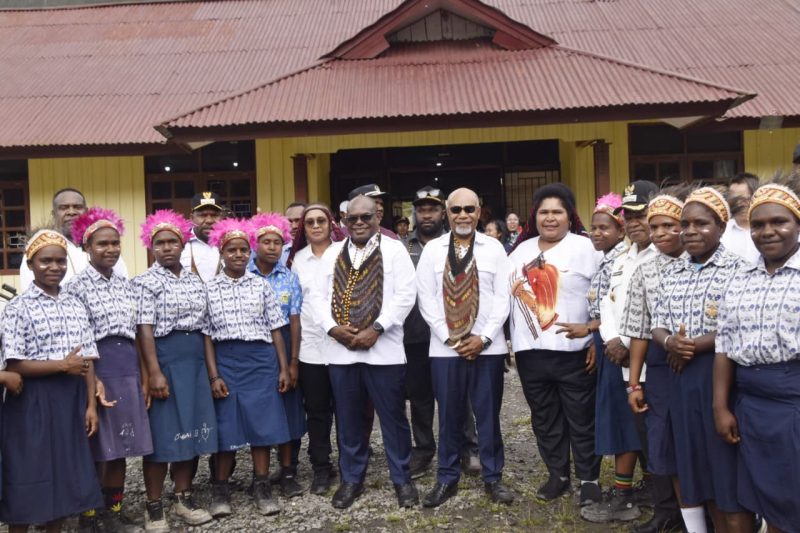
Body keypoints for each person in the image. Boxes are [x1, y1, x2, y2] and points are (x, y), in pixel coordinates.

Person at [651, 187, 753, 533]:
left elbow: (738, 326)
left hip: (719, 378)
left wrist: (692, 346)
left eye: (701, 223)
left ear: (721, 226)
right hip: (681, 380)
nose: (690, 231)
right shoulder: (673, 272)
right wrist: (671, 343)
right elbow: (657, 324)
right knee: (697, 472)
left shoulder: (740, 270)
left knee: (727, 478)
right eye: (685, 224)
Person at [310, 195, 417, 509]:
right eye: (352, 218)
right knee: (349, 419)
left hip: (384, 352)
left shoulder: (394, 250)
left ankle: (402, 479)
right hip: (341, 352)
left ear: (377, 217)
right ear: (344, 221)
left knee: (393, 418)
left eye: (365, 217)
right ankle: (351, 479)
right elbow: (317, 297)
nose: (358, 223)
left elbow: (406, 294)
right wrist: (333, 329)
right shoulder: (333, 253)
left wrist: (378, 328)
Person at [0, 230, 104, 532]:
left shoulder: (76, 305)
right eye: (45, 261)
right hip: (31, 400)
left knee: (64, 475)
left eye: (60, 261)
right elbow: (15, 364)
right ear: (30, 264)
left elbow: (86, 359)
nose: (54, 267)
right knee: (28, 474)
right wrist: (62, 365)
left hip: (70, 399)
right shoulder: (18, 308)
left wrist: (90, 406)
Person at [416, 188, 514, 508]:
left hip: (487, 347)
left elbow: (503, 298)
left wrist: (483, 338)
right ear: (447, 212)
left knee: (488, 415)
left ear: (479, 212)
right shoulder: (433, 250)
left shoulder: (494, 248)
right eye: (456, 209)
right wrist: (451, 338)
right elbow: (426, 299)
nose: (462, 215)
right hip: (446, 349)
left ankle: (493, 477)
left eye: (469, 209)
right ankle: (447, 478)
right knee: (449, 416)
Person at [508, 183, 603, 505]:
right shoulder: (519, 252)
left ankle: (589, 479)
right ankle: (557, 475)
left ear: (569, 216)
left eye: (557, 212)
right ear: (534, 216)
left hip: (575, 352)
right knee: (545, 418)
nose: (550, 218)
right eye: (543, 212)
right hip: (530, 353)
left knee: (581, 417)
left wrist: (596, 338)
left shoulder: (586, 248)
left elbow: (605, 296)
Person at [714, 183, 800, 533]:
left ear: (797, 225)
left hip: (792, 404)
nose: (768, 231)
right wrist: (721, 407)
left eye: (779, 222)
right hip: (748, 404)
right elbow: (724, 345)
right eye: (759, 224)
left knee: (792, 499)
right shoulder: (740, 279)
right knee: (764, 498)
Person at [67, 208, 154, 533]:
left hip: (127, 366)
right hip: (96, 368)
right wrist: (94, 380)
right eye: (102, 243)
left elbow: (136, 334)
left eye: (115, 243)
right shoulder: (75, 287)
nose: (110, 249)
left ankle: (113, 512)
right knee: (96, 447)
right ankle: (88, 516)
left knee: (122, 446)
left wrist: (144, 377)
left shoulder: (125, 284)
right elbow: (78, 339)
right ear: (87, 247)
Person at [134, 210, 217, 531]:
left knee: (192, 429)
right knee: (163, 433)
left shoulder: (196, 280)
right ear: (151, 246)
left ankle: (183, 497)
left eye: (173, 242)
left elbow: (206, 328)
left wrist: (210, 372)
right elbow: (144, 329)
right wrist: (154, 372)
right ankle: (154, 505)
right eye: (160, 243)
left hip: (193, 360)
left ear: (183, 244)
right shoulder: (145, 282)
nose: (167, 247)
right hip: (164, 358)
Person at [582, 182, 660, 523]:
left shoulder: (665, 256)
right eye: (628, 215)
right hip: (617, 353)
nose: (634, 222)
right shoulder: (624, 257)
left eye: (641, 214)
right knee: (622, 424)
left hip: (648, 358)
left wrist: (626, 344)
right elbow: (609, 302)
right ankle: (629, 492)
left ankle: (641, 495)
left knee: (643, 428)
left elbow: (654, 311)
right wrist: (612, 339)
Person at [203, 218, 291, 517]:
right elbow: (206, 336)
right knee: (226, 426)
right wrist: (213, 375)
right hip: (226, 360)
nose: (238, 255)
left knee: (261, 425)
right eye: (232, 250)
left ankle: (262, 486)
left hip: (261, 361)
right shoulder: (209, 288)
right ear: (222, 253)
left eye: (243, 249)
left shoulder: (260, 285)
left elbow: (276, 328)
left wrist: (283, 368)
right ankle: (220, 490)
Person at [402, 185, 481, 479]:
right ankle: (424, 450)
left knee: (461, 395)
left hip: (455, 334)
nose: (427, 215)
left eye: (433, 209)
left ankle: (468, 448)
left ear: (443, 213)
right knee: (420, 397)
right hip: (415, 335)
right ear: (415, 214)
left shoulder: (458, 242)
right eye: (421, 210)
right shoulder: (403, 247)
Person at [621, 193, 687, 533]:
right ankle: (666, 512)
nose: (660, 233)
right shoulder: (645, 271)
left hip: (699, 361)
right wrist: (634, 383)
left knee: (693, 441)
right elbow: (638, 332)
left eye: (669, 226)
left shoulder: (701, 262)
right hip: (659, 366)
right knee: (661, 441)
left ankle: (699, 517)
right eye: (655, 227)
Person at [288, 203, 345, 495]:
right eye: (309, 222)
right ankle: (321, 467)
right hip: (310, 347)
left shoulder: (346, 252)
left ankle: (350, 466)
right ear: (304, 228)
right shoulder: (297, 260)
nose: (315, 226)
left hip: (344, 345)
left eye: (321, 220)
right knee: (317, 411)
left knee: (347, 410)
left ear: (331, 223)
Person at [248, 213, 306, 498]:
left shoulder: (289, 277)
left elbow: (295, 321)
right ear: (255, 244)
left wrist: (294, 362)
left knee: (287, 410)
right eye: (266, 242)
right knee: (260, 410)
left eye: (277, 243)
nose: (272, 247)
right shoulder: (243, 275)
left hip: (284, 340)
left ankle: (287, 471)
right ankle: (259, 476)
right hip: (255, 347)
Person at [19, 188, 128, 289]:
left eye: (77, 207)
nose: (71, 212)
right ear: (54, 214)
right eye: (63, 208)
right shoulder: (39, 249)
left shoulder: (106, 247)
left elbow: (122, 283)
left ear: (86, 211)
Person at [180, 191, 225, 283]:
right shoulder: (180, 243)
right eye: (203, 215)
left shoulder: (231, 243)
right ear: (191, 218)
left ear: (221, 217)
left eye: (214, 215)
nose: (209, 220)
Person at [720, 173, 760, 264]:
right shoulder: (722, 232)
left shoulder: (767, 231)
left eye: (745, 199)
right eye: (735, 200)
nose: (739, 204)